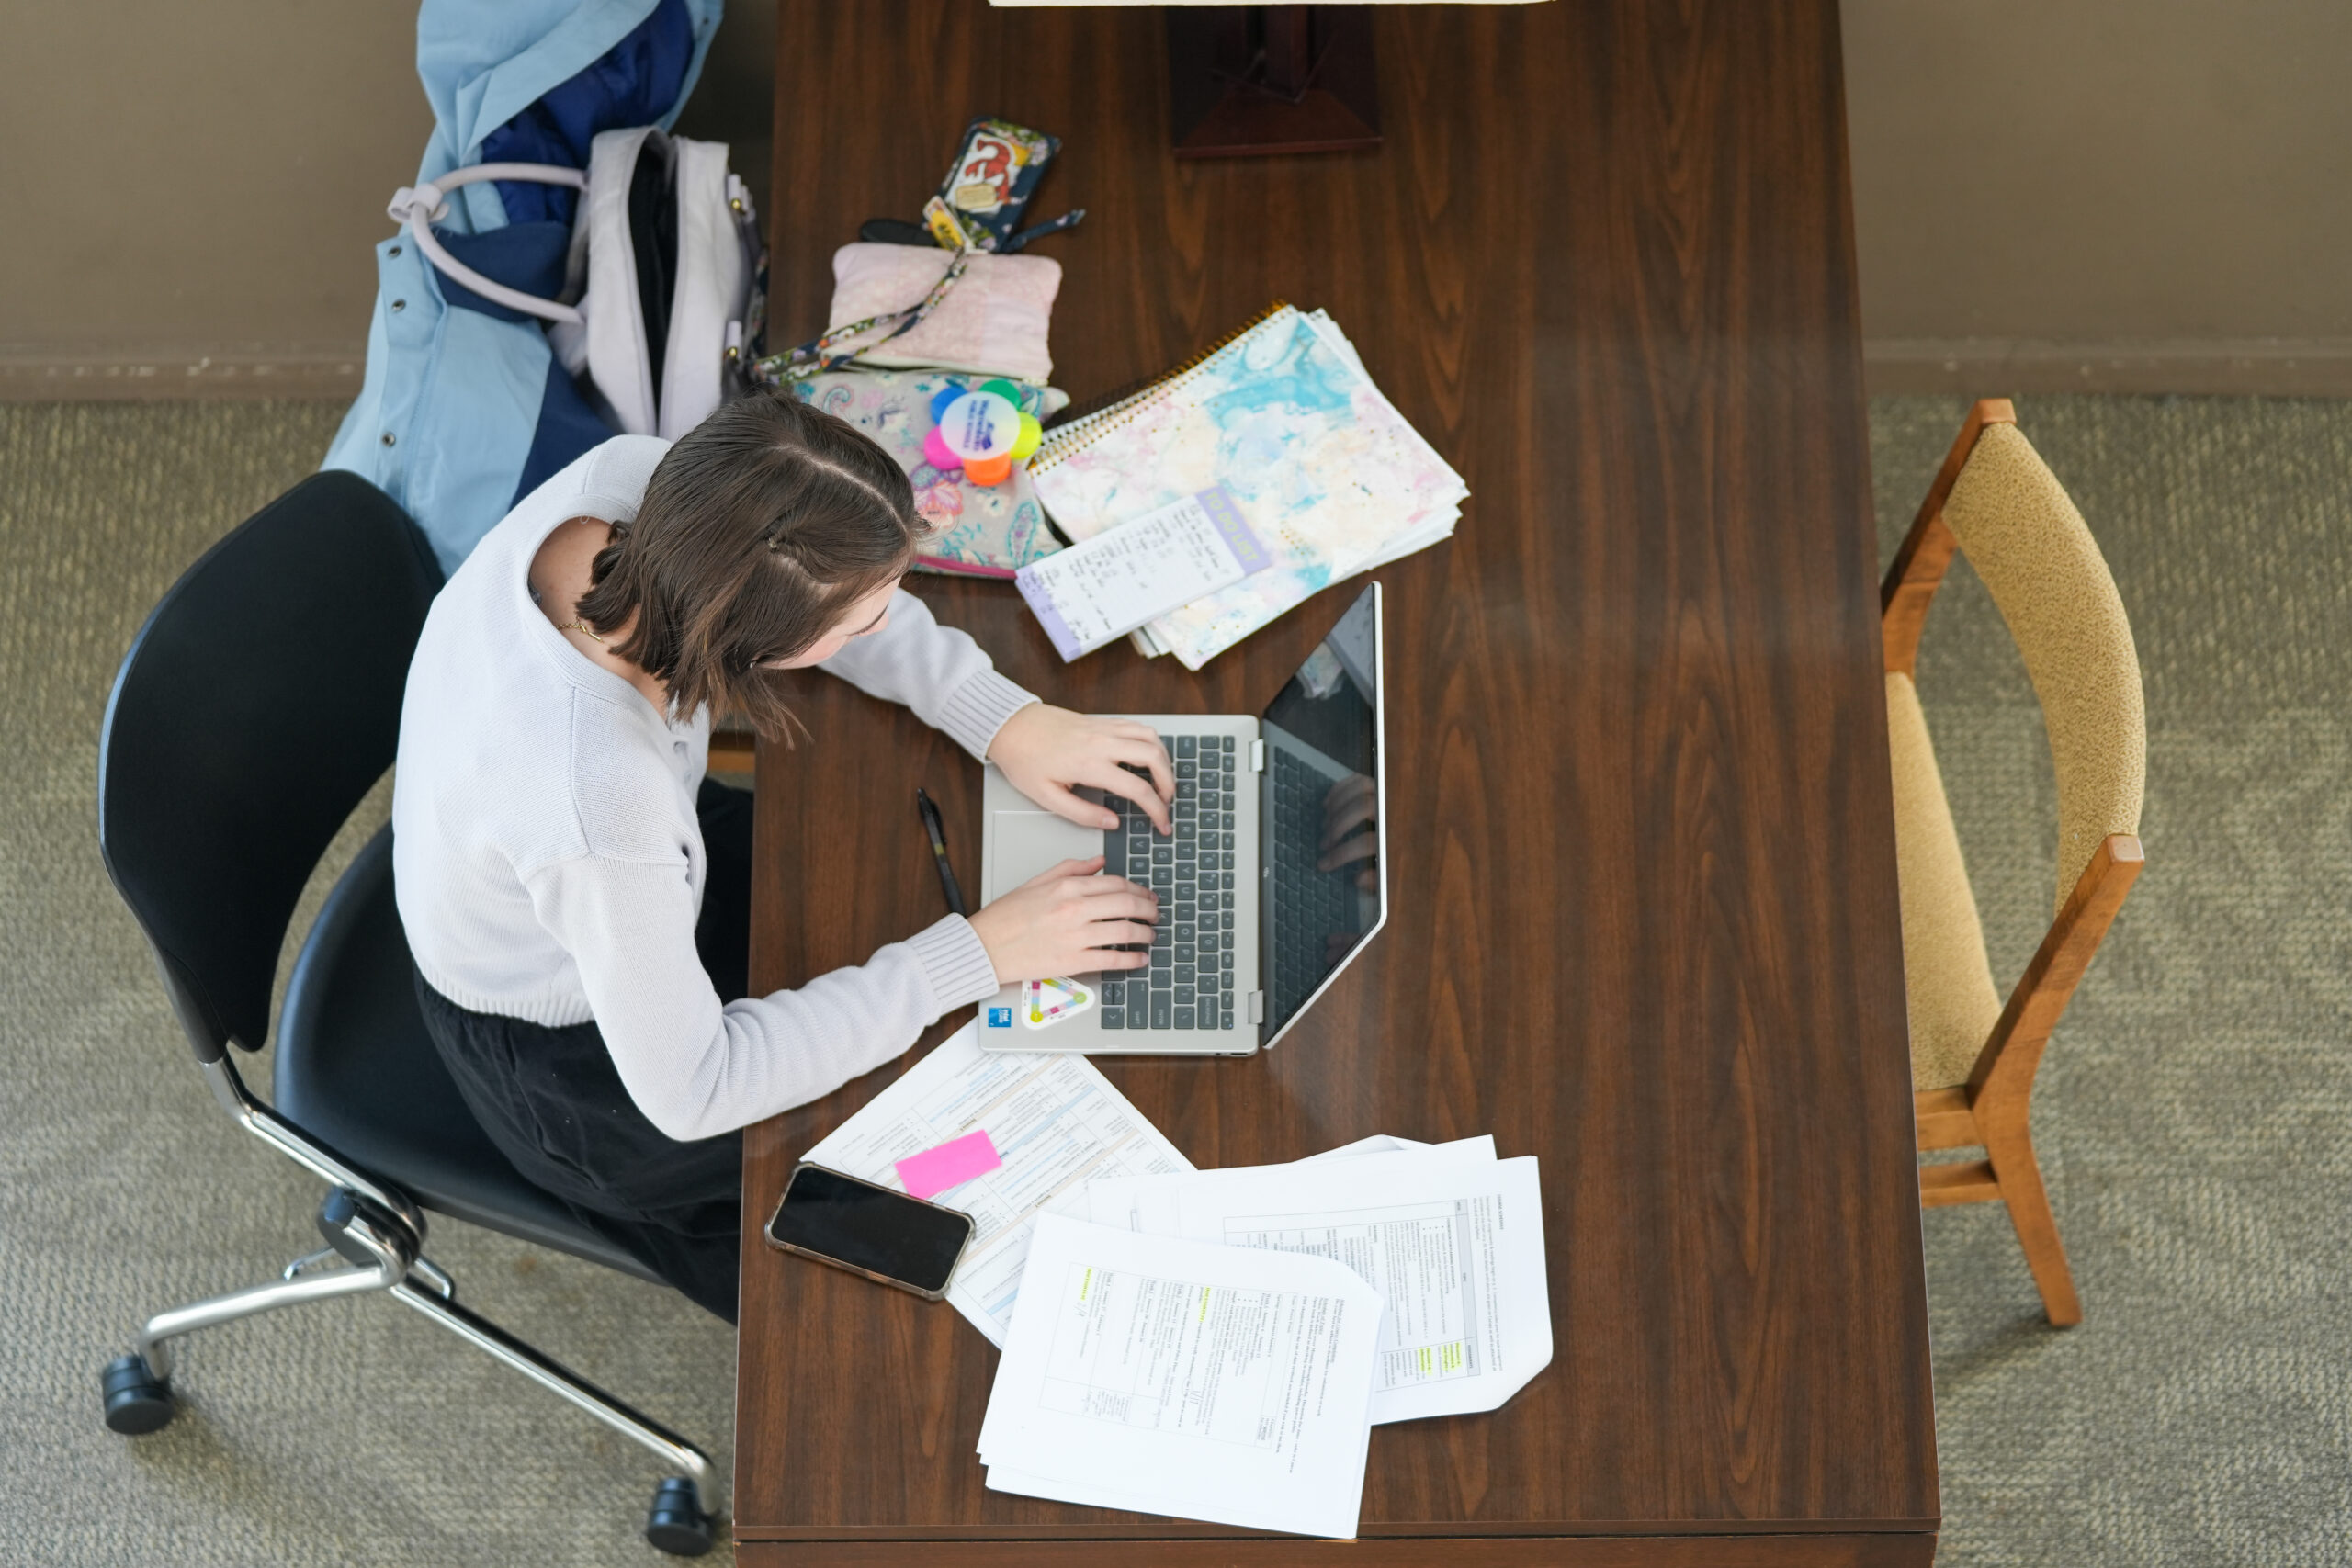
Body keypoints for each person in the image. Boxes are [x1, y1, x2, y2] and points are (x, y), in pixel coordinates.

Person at [391, 394, 1173, 1323]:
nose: (881, 629)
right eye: (857, 624)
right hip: (572, 1057)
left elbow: (823, 584)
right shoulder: (595, 798)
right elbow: (694, 1090)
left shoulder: (647, 489)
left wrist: (1003, 719)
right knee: (894, 1236)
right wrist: (982, 955)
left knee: (897, 947)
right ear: (755, 643)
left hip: (594, 878)